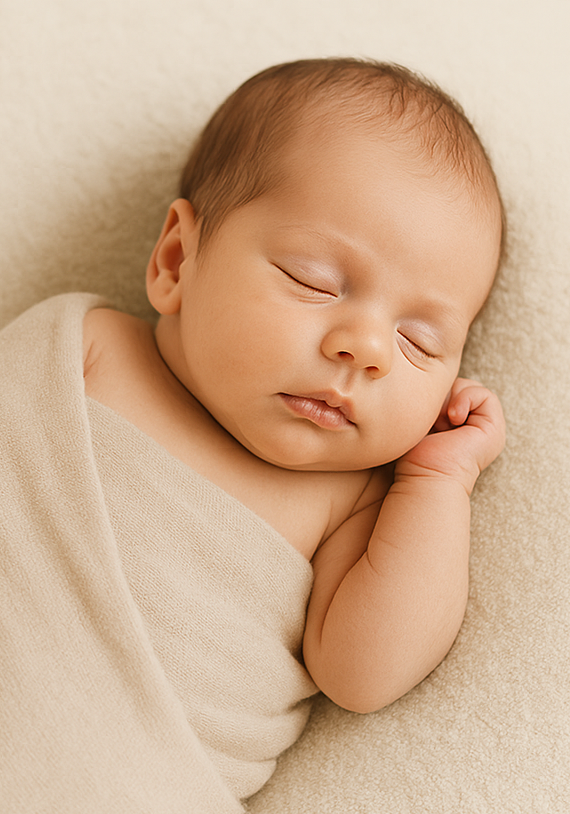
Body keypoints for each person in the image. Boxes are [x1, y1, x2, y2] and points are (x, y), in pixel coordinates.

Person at [1, 58, 506, 809]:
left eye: (419, 343)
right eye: (313, 280)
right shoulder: (87, 346)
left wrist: (438, 483)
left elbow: (365, 673)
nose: (364, 348)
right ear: (177, 261)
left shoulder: (351, 501)